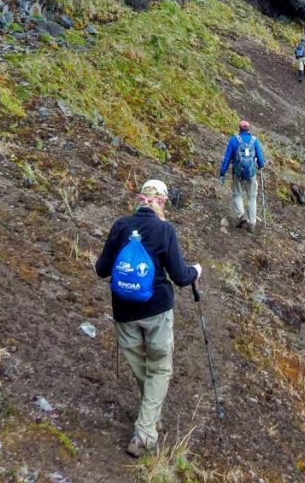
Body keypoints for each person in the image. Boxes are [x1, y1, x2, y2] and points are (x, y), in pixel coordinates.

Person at [95, 179, 202, 458]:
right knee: (159, 369)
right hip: (157, 311)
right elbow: (180, 277)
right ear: (161, 202)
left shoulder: (120, 226)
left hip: (124, 312)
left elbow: (101, 269)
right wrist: (197, 271)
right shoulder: (164, 230)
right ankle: (144, 434)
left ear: (140, 199)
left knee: (143, 368)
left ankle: (150, 415)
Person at [219, 119, 265, 233]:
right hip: (251, 174)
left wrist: (222, 173)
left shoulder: (234, 140)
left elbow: (226, 158)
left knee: (238, 194)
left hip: (238, 173)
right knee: (252, 198)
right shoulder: (254, 141)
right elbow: (261, 161)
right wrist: (259, 166)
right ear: (248, 129)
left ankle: (241, 215)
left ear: (239, 129)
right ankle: (252, 223)